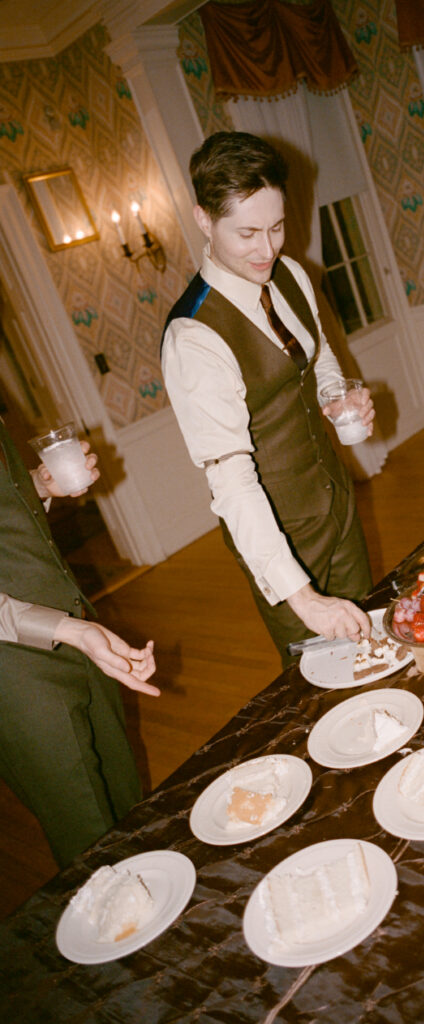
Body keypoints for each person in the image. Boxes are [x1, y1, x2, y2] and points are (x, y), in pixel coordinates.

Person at [161, 131, 374, 662]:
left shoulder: (293, 275)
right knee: (323, 677)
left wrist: (334, 394)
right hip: (277, 537)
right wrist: (303, 598)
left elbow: (317, 349)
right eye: (248, 232)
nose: (267, 249)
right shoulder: (194, 338)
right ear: (204, 220)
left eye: (277, 227)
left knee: (373, 642)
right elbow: (230, 481)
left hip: (338, 504)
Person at [0, 418, 158, 868]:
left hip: (76, 628)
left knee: (128, 799)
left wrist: (39, 485)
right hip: (14, 677)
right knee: (87, 836)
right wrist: (67, 630)